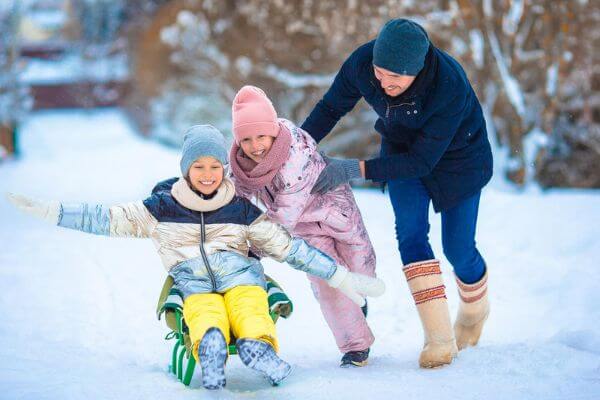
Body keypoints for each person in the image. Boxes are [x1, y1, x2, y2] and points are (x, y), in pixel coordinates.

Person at [6, 125, 385, 389]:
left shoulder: (241, 208)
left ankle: (260, 350)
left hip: (241, 277)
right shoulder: (161, 208)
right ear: (185, 170)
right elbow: (105, 218)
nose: (207, 174)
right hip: (193, 282)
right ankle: (211, 349)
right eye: (198, 166)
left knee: (251, 305)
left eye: (215, 166)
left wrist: (340, 277)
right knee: (204, 312)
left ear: (224, 169)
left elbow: (291, 248)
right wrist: (51, 211)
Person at [300, 18, 493, 368]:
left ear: (417, 71)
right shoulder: (362, 63)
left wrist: (355, 169)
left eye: (396, 78)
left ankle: (473, 313)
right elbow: (331, 108)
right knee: (411, 235)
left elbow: (422, 161)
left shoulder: (448, 84)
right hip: (401, 151)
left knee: (458, 249)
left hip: (460, 161)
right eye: (379, 73)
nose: (384, 83)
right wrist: (296, 148)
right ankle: (439, 339)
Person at [229, 85, 377, 368]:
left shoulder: (296, 154)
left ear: (273, 130)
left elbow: (285, 212)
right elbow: (231, 195)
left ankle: (359, 298)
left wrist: (257, 249)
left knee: (362, 271)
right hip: (304, 230)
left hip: (338, 214)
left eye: (261, 135)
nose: (255, 145)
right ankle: (355, 346)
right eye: (246, 139)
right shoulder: (239, 164)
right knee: (328, 282)